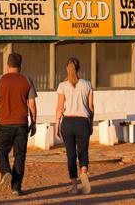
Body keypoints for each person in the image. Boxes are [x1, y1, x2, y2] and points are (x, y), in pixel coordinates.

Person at [0, 53, 37, 196]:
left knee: (1, 151)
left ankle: (6, 172)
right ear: (20, 66)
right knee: (20, 155)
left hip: (5, 124)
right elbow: (32, 104)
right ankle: (16, 187)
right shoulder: (27, 80)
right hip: (21, 123)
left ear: (7, 65)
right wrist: (33, 123)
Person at [55, 57, 93, 195]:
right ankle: (83, 172)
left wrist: (57, 125)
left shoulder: (62, 86)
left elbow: (59, 107)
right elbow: (91, 107)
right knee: (83, 152)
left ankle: (74, 187)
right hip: (83, 122)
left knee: (71, 155)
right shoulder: (87, 84)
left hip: (68, 123)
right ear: (79, 68)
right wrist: (91, 124)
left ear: (67, 68)